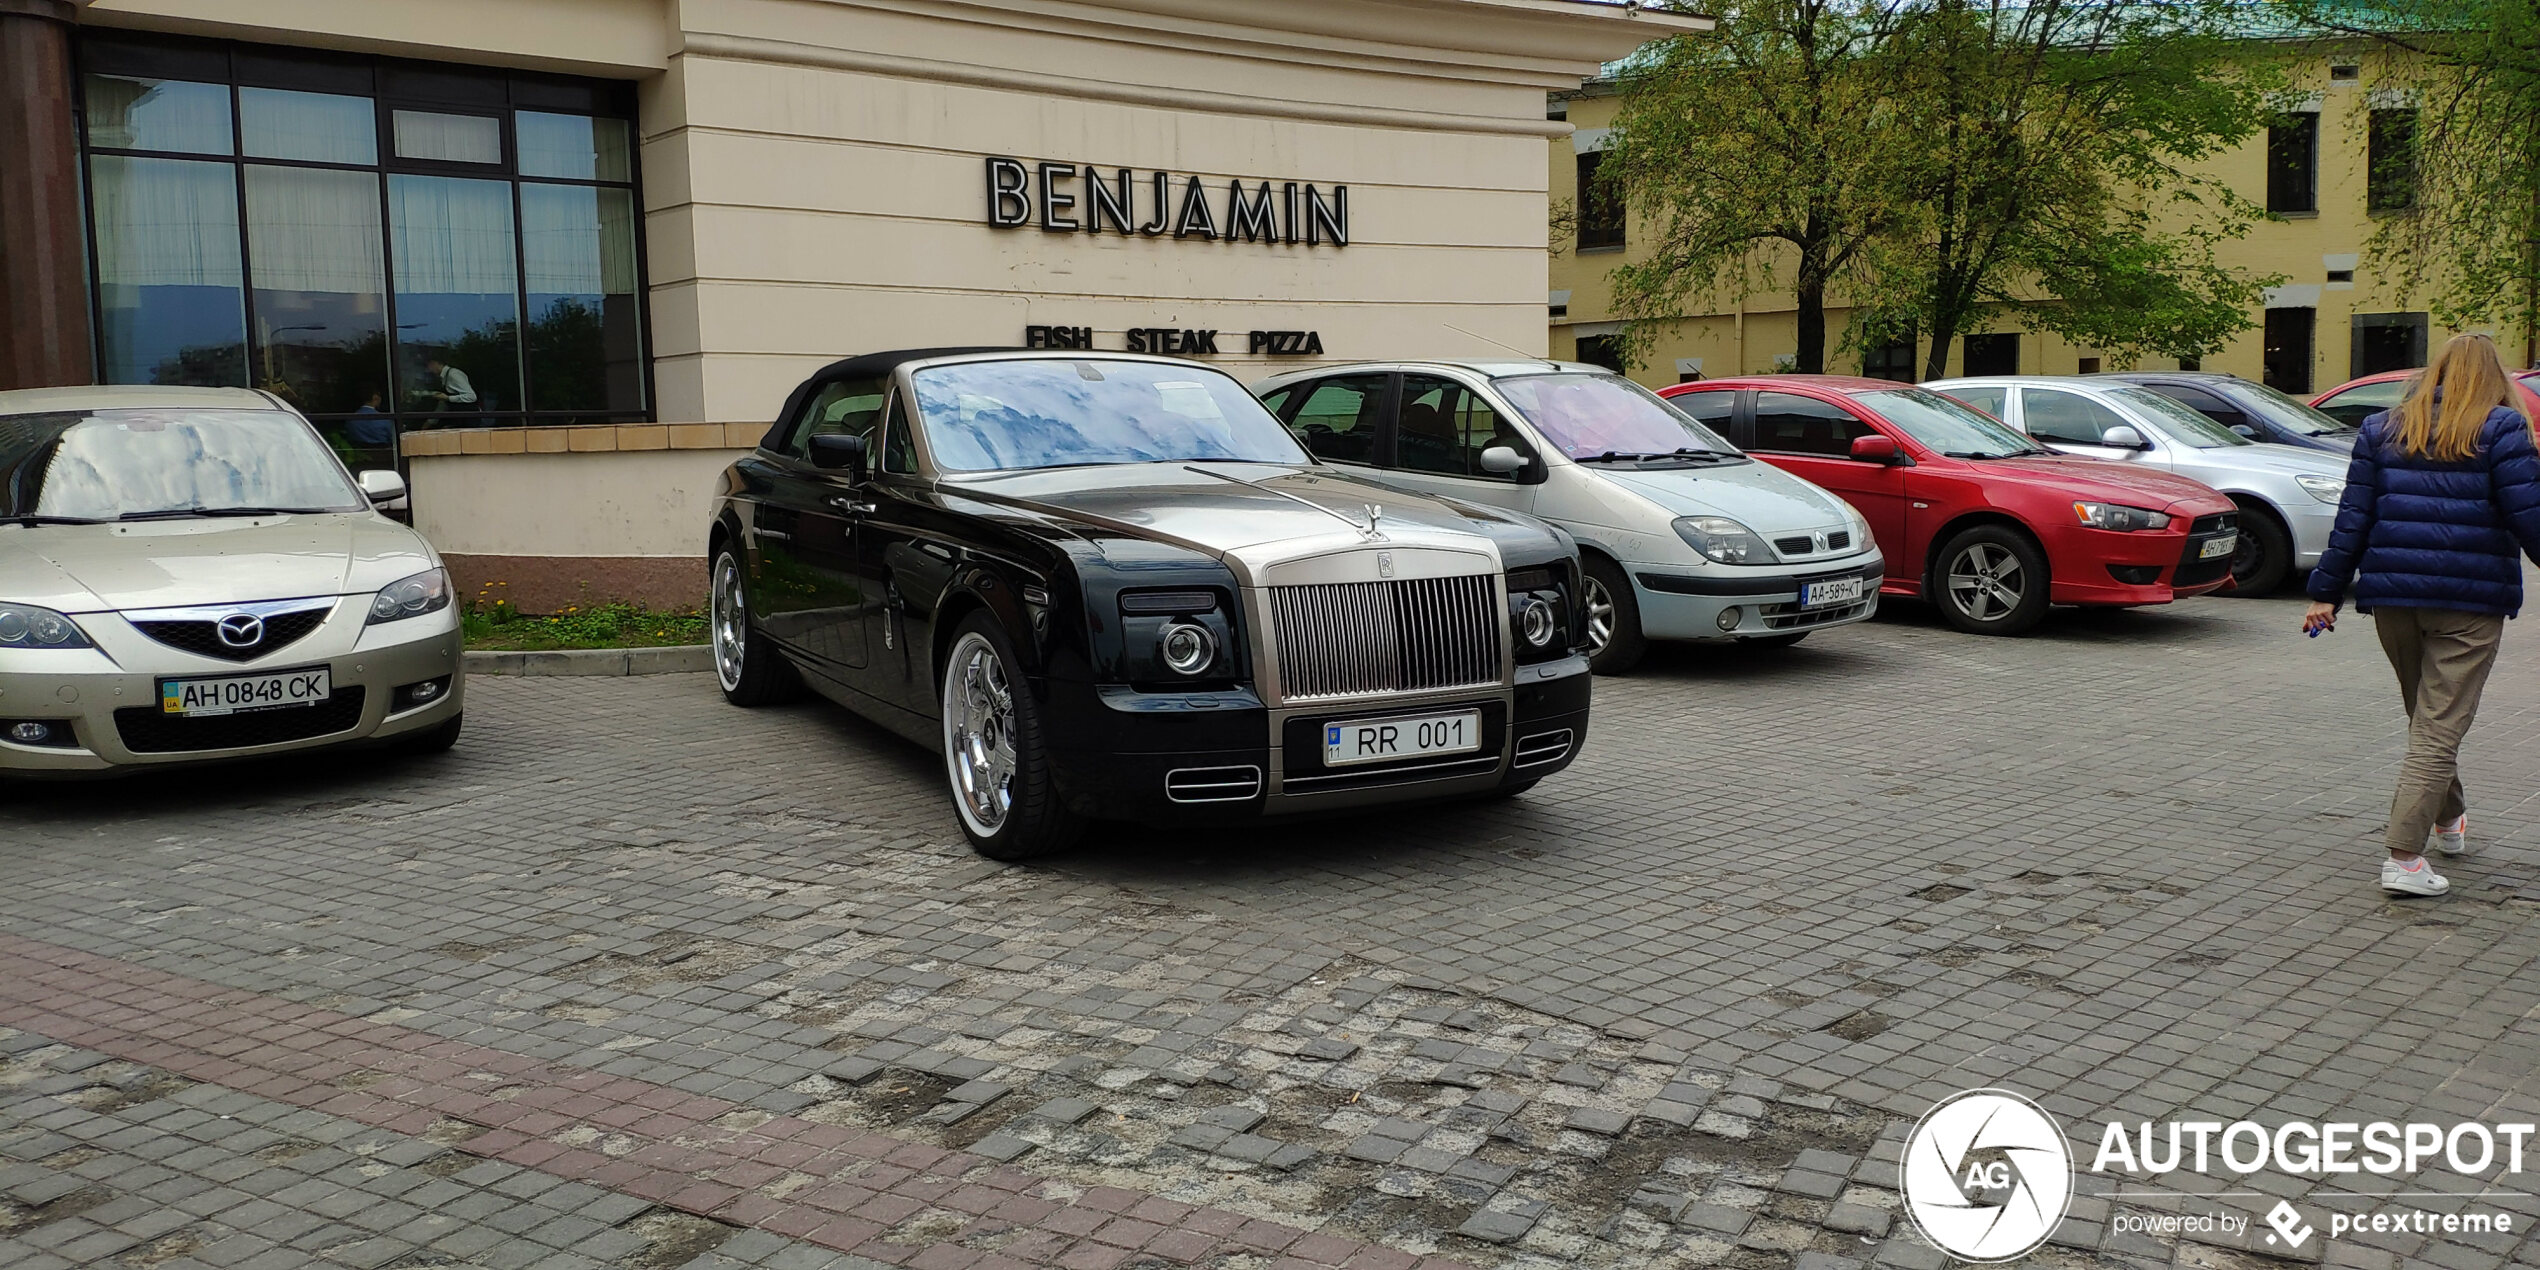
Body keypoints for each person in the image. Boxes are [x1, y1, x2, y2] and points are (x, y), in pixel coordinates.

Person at [2305, 332, 2540, 896]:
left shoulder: (2382, 429)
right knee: (2438, 728)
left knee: (2430, 721)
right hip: (2470, 604)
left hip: (2395, 601)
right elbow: (2530, 517)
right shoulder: (2502, 428)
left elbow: (2352, 520)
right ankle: (2404, 857)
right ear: (2494, 378)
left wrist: (2325, 593)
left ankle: (2447, 818)